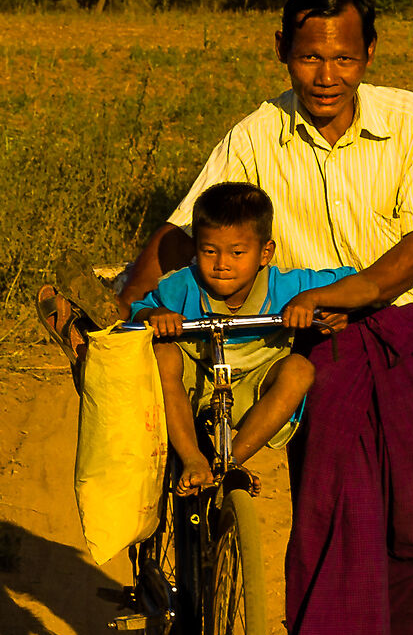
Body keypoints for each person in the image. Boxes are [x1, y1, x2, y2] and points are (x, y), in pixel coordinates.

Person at [117, 0, 413, 635]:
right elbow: (183, 231)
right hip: (319, 346)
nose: (326, 73)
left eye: (343, 56)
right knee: (337, 530)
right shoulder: (256, 133)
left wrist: (343, 295)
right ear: (283, 52)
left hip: (405, 331)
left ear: (368, 56)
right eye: (310, 55)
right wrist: (129, 313)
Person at [131, 181, 384, 494]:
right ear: (196, 248)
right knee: (164, 354)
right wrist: (154, 317)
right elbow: (140, 309)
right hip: (192, 385)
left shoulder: (285, 287)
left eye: (237, 252)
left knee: (299, 370)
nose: (222, 264)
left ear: (266, 253)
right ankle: (193, 459)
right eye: (209, 251)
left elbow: (355, 281)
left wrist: (316, 300)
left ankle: (231, 461)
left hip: (253, 386)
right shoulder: (182, 285)